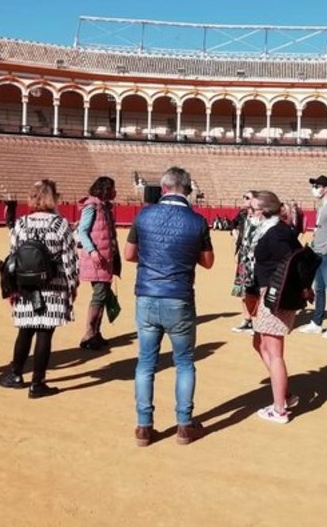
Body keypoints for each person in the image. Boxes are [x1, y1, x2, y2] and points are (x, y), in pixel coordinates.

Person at [125, 167, 214, 447]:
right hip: (179, 297)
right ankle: (184, 425)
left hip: (148, 295)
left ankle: (143, 426)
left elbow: (129, 255)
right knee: (184, 362)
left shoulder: (144, 215)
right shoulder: (196, 221)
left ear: (163, 189)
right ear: (187, 189)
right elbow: (208, 261)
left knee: (146, 362)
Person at [0, 179, 79, 399]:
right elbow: (70, 259)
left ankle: (15, 374)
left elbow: (12, 258)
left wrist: (12, 288)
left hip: (26, 286)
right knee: (45, 332)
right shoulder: (60, 224)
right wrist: (73, 285)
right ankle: (37, 382)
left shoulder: (21, 224)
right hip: (53, 286)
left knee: (25, 330)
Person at [249, 191, 303, 424]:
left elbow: (293, 261)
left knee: (274, 351)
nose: (249, 213)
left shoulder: (275, 234)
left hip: (275, 296)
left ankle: (280, 407)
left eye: (252, 209)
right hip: (272, 293)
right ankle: (284, 394)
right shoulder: (279, 230)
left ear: (262, 211)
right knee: (260, 342)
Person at [77, 176, 121, 350]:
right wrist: (93, 251)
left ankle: (96, 332)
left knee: (102, 295)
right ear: (105, 189)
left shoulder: (104, 207)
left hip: (105, 257)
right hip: (97, 258)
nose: (114, 192)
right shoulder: (92, 206)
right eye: (112, 188)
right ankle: (88, 334)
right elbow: (82, 231)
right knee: (100, 295)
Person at [298, 175, 327, 339]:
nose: (314, 189)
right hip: (317, 252)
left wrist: (325, 248)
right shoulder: (322, 206)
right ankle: (317, 323)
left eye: (317, 186)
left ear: (326, 188)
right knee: (319, 288)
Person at [230, 191, 259, 334]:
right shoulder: (242, 215)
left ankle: (255, 321)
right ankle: (247, 319)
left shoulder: (260, 216)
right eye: (244, 197)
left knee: (253, 290)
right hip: (243, 256)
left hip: (254, 258)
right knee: (242, 290)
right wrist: (235, 236)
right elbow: (232, 225)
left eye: (247, 198)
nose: (244, 200)